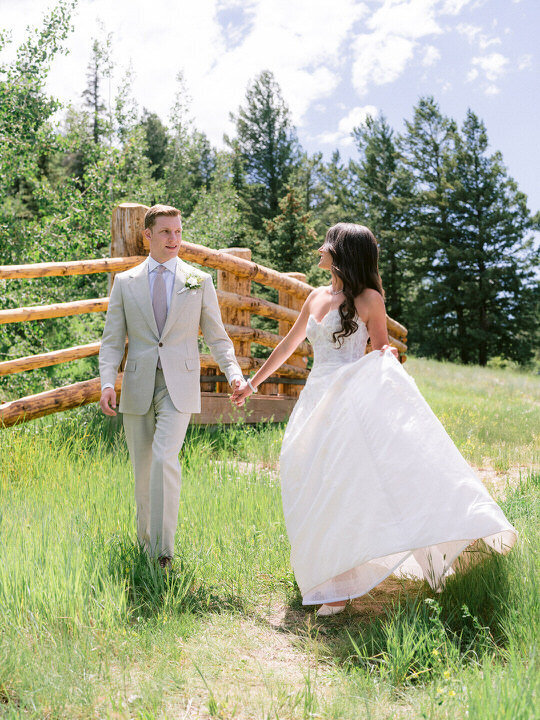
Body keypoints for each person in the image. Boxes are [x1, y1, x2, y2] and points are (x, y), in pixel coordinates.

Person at [231, 223, 516, 616]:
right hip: (315, 401)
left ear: (341, 253)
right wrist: (251, 382)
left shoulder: (368, 299)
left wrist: (389, 375)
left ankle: (339, 585)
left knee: (343, 485)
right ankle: (325, 570)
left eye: (326, 244)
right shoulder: (315, 298)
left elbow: (383, 350)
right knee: (306, 477)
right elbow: (288, 346)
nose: (319, 249)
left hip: (351, 403)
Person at [99, 204, 247, 570]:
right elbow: (112, 340)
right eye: (166, 232)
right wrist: (107, 382)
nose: (174, 239)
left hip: (179, 385)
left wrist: (234, 374)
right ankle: (145, 546)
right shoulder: (126, 282)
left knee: (165, 458)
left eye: (178, 232)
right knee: (143, 468)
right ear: (147, 235)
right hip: (137, 385)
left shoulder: (198, 280)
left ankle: (163, 553)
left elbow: (217, 335)